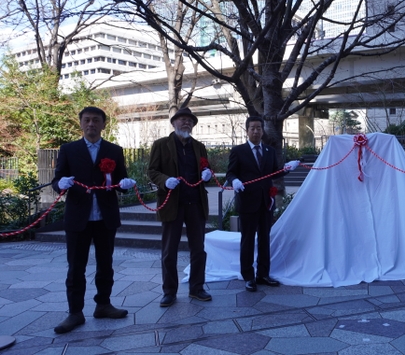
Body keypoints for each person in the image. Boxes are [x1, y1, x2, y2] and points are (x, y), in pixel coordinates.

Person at [51, 107, 136, 334]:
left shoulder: (114, 150)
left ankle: (103, 304)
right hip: (78, 217)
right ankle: (75, 312)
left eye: (96, 120)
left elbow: (120, 180)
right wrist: (61, 183)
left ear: (103, 124)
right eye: (87, 120)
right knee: (75, 267)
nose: (91, 124)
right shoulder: (68, 149)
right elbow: (56, 178)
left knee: (105, 264)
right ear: (80, 123)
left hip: (105, 216)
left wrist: (126, 184)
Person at [148, 107, 213, 307]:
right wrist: (165, 180)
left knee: (198, 249)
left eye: (189, 121)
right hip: (172, 203)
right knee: (169, 250)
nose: (186, 123)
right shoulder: (161, 145)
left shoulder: (199, 146)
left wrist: (207, 173)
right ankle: (169, 291)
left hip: (195, 202)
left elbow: (205, 166)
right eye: (182, 120)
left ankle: (197, 287)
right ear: (174, 123)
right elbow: (151, 170)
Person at [226, 116, 300, 292]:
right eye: (252, 128)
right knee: (248, 240)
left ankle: (263, 274)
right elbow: (230, 173)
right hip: (247, 202)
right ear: (247, 131)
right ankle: (249, 276)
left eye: (259, 128)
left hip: (266, 202)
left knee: (265, 240)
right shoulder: (238, 151)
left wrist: (287, 168)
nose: (256, 131)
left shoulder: (269, 151)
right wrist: (235, 181)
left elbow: (274, 173)